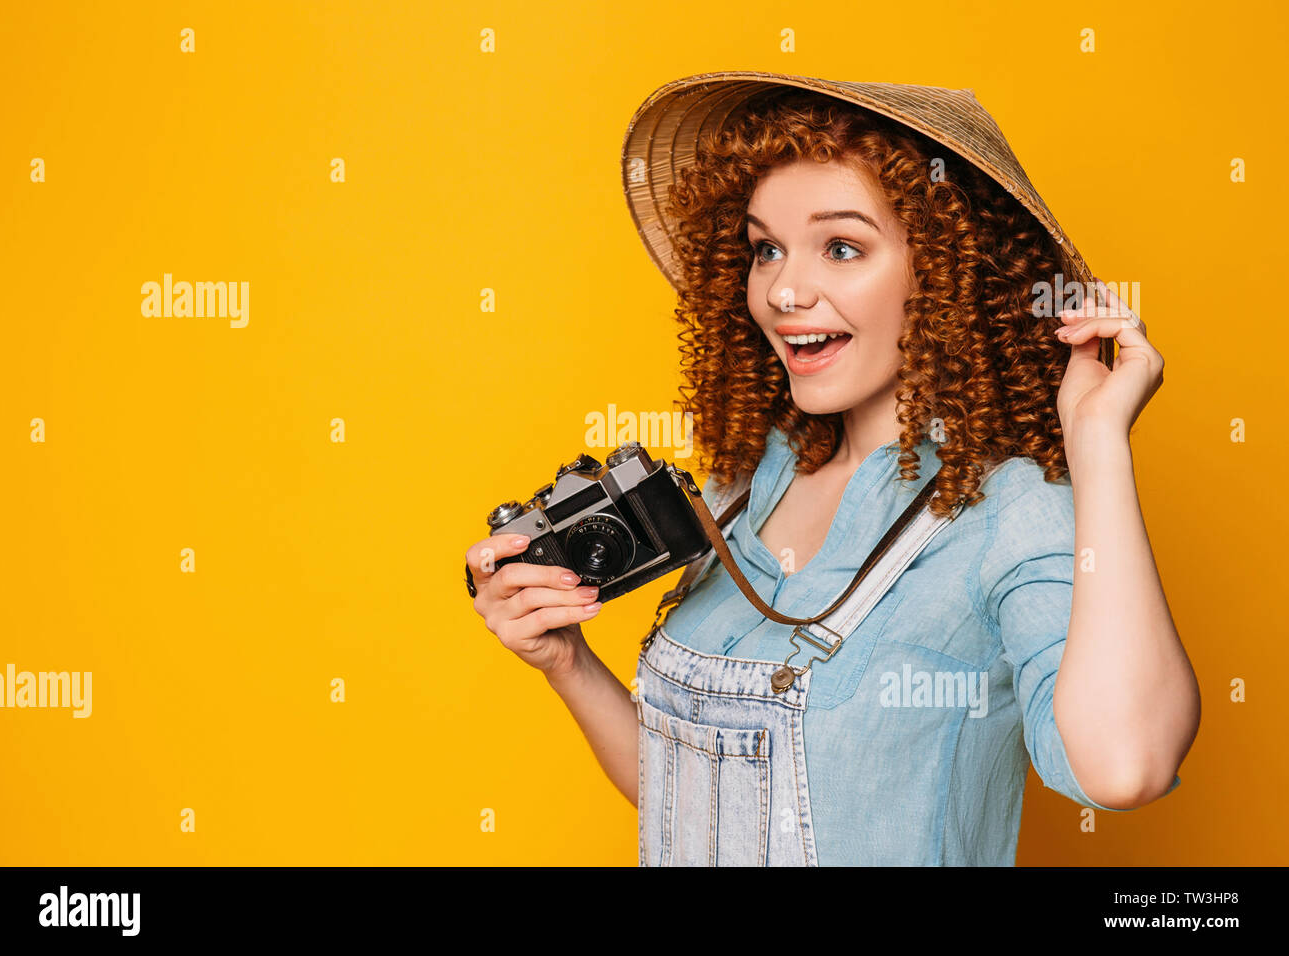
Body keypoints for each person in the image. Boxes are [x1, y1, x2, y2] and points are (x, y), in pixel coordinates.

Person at [465, 73, 1199, 866]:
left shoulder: (1011, 514)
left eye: (841, 247)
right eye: (765, 249)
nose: (783, 289)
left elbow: (1127, 767)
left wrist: (1097, 445)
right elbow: (695, 794)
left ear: (947, 275)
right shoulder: (749, 483)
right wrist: (566, 663)